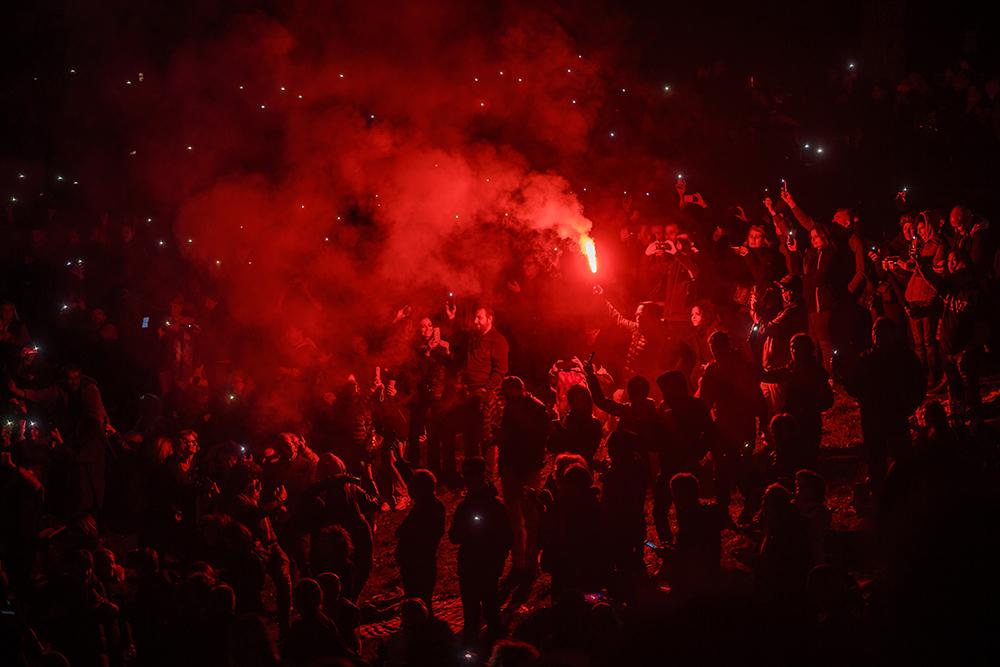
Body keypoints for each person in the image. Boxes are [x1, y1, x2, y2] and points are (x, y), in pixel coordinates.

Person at [844, 318, 925, 494]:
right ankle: (880, 493)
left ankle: (906, 492)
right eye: (874, 331)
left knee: (902, 457)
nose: (876, 335)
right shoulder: (865, 358)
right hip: (873, 417)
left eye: (880, 331)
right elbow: (853, 385)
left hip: (896, 414)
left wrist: (909, 405)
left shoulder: (904, 357)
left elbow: (919, 383)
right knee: (875, 459)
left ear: (891, 334)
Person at [697, 330, 768, 521]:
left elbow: (754, 395)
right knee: (721, 468)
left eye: (718, 348)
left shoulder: (740, 367)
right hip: (723, 426)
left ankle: (749, 504)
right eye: (713, 349)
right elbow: (705, 399)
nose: (716, 352)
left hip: (741, 425)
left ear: (727, 346)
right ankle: (724, 510)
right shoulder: (713, 369)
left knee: (740, 466)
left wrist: (763, 421)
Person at [448, 456, 512, 644]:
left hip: (486, 566)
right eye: (465, 475)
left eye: (470, 475)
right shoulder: (466, 505)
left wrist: (496, 556)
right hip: (470, 565)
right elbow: (453, 536)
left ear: (481, 475)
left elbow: (507, 538)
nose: (467, 480)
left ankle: (493, 648)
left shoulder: (495, 506)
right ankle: (473, 648)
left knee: (490, 609)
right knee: (471, 611)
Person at [443, 305, 509, 479]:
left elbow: (500, 370)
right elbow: (457, 342)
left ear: (490, 319)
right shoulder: (473, 338)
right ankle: (472, 474)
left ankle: (487, 475)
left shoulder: (498, 340)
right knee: (469, 435)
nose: (475, 321)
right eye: (475, 317)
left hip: (485, 395)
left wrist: (485, 388)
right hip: (467, 393)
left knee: (485, 436)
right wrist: (451, 319)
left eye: (479, 317)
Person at [497, 376, 550, 584]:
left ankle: (531, 563)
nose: (509, 396)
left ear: (521, 389)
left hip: (527, 466)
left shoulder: (535, 408)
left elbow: (541, 434)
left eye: (511, 391)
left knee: (530, 516)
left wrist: (511, 436)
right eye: (506, 392)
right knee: (514, 517)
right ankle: (519, 562)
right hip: (511, 466)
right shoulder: (510, 407)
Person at [761, 335, 834, 471]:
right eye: (792, 347)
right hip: (790, 424)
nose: (794, 350)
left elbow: (828, 400)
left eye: (798, 347)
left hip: (809, 423)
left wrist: (809, 408)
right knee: (790, 461)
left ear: (807, 349)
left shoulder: (815, 372)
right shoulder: (791, 370)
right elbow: (769, 376)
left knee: (807, 461)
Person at [395, 469, 445, 614]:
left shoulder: (425, 508)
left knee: (417, 600)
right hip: (421, 560)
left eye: (413, 486)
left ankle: (421, 629)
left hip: (418, 562)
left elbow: (403, 531)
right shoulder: (431, 505)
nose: (409, 490)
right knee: (422, 599)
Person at [406, 316, 451, 472]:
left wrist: (447, 350)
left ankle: (435, 470)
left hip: (436, 395)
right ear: (418, 329)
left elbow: (447, 368)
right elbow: (416, 372)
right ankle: (414, 467)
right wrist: (427, 352)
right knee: (415, 432)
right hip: (419, 395)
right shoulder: (414, 348)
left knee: (434, 433)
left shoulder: (439, 346)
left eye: (430, 325)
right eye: (423, 326)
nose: (427, 329)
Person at [282, 578, 355, 666]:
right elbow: (341, 647)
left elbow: (288, 655)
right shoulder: (326, 620)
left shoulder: (300, 627)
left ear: (298, 602)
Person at [547, 383, 602, 465]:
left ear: (587, 401)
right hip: (563, 471)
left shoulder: (594, 423)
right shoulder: (564, 420)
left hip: (582, 470)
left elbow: (585, 451)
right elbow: (552, 447)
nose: (576, 404)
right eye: (573, 400)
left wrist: (561, 430)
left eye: (579, 400)